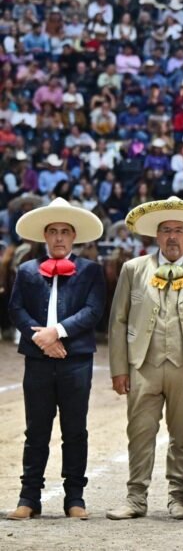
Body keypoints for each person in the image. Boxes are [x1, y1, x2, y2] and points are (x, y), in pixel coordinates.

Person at [107, 197, 183, 520]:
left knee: (182, 434)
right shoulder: (133, 269)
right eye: (166, 230)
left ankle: (178, 497)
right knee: (139, 432)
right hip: (142, 365)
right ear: (156, 235)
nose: (172, 236)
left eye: (179, 230)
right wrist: (119, 368)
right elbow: (117, 322)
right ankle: (136, 498)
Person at [6, 199, 105, 521]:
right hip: (38, 359)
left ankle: (74, 497)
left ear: (74, 236)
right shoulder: (27, 270)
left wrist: (57, 332)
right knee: (36, 429)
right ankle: (29, 497)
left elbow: (93, 310)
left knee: (75, 430)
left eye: (65, 231)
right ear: (45, 236)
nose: (59, 237)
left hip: (76, 360)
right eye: (53, 231)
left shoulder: (91, 270)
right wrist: (42, 340)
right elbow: (16, 309)